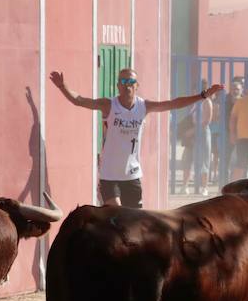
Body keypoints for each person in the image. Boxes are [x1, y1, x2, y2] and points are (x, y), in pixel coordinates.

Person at [50, 68, 222, 208]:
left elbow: (173, 103)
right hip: (109, 175)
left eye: (131, 82)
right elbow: (79, 100)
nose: (127, 85)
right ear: (117, 85)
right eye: (123, 81)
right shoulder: (109, 105)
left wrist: (203, 96)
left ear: (137, 85)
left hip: (132, 175)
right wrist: (62, 86)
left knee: (133, 222)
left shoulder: (143, 106)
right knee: (116, 215)